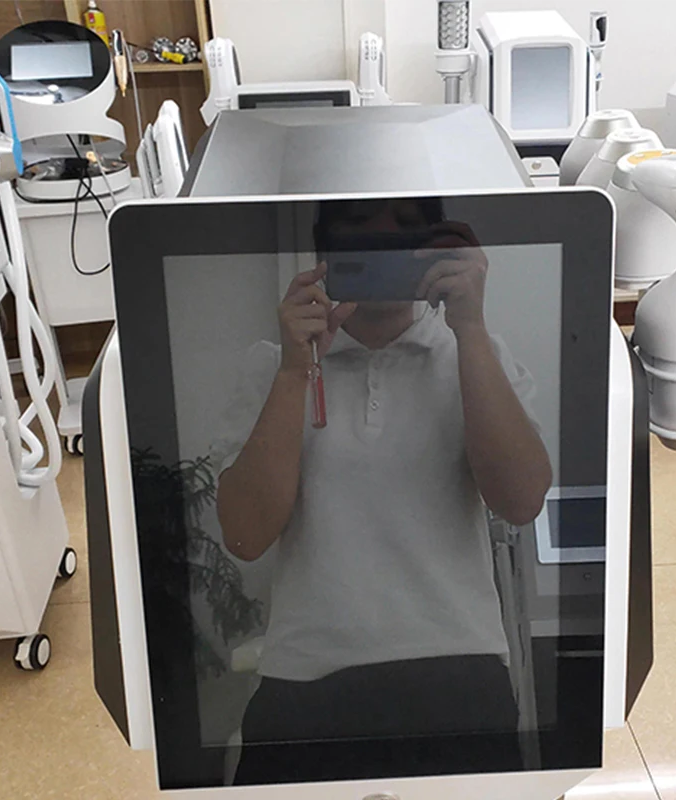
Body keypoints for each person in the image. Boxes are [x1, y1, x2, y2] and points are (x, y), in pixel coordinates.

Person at [215, 198, 552, 776]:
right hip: (304, 674)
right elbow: (244, 535)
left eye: (405, 231)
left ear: (435, 245)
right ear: (324, 251)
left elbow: (522, 502)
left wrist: (470, 326)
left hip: (459, 670)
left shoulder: (477, 356)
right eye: (358, 231)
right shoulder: (274, 367)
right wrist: (296, 372)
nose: (383, 244)